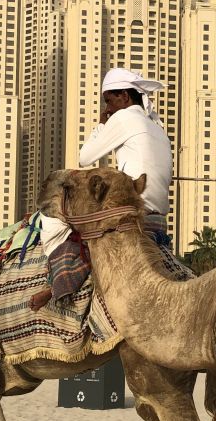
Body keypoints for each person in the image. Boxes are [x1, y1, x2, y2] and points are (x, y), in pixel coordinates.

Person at [32, 68, 174, 309]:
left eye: (109, 101)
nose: (107, 108)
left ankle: (57, 278)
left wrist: (100, 125)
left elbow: (86, 157)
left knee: (51, 216)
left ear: (125, 97)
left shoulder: (125, 118)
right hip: (158, 218)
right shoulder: (157, 127)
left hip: (131, 212)